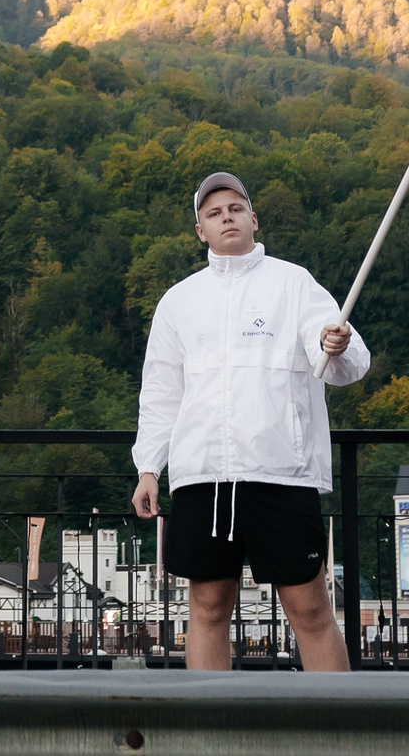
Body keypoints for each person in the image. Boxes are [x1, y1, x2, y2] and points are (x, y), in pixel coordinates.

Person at [131, 170, 369, 671]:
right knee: (208, 607)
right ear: (201, 231)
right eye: (214, 214)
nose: (226, 219)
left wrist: (337, 345)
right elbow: (160, 392)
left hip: (282, 471)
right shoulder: (179, 300)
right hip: (203, 478)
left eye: (235, 209)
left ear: (253, 219)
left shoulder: (294, 283)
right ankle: (209, 735)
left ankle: (340, 736)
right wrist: (149, 466)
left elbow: (345, 363)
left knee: (309, 608)